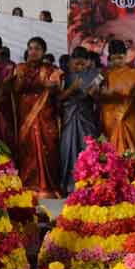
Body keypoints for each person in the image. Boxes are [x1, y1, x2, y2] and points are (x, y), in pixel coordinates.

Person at [14, 36, 63, 198]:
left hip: (45, 113)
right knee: (28, 146)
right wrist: (41, 84)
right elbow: (16, 88)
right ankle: (29, 183)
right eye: (31, 48)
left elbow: (58, 90)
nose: (33, 52)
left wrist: (53, 87)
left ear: (43, 52)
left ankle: (47, 185)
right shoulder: (20, 68)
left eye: (37, 49)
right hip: (26, 111)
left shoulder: (51, 70)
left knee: (47, 146)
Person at [99, 39, 135, 175]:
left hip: (131, 116)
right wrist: (103, 93)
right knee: (111, 149)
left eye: (120, 57)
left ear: (125, 55)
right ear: (109, 57)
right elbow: (92, 91)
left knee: (134, 146)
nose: (117, 61)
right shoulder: (103, 74)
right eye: (114, 58)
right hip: (110, 118)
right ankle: (113, 178)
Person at [59, 46, 100, 193]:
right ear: (71, 61)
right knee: (68, 148)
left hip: (87, 116)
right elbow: (58, 98)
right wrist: (72, 89)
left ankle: (90, 183)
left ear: (88, 62)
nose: (80, 67)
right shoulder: (64, 76)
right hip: (70, 116)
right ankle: (69, 184)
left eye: (83, 64)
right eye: (77, 64)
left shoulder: (97, 75)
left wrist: (93, 93)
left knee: (87, 148)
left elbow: (100, 98)